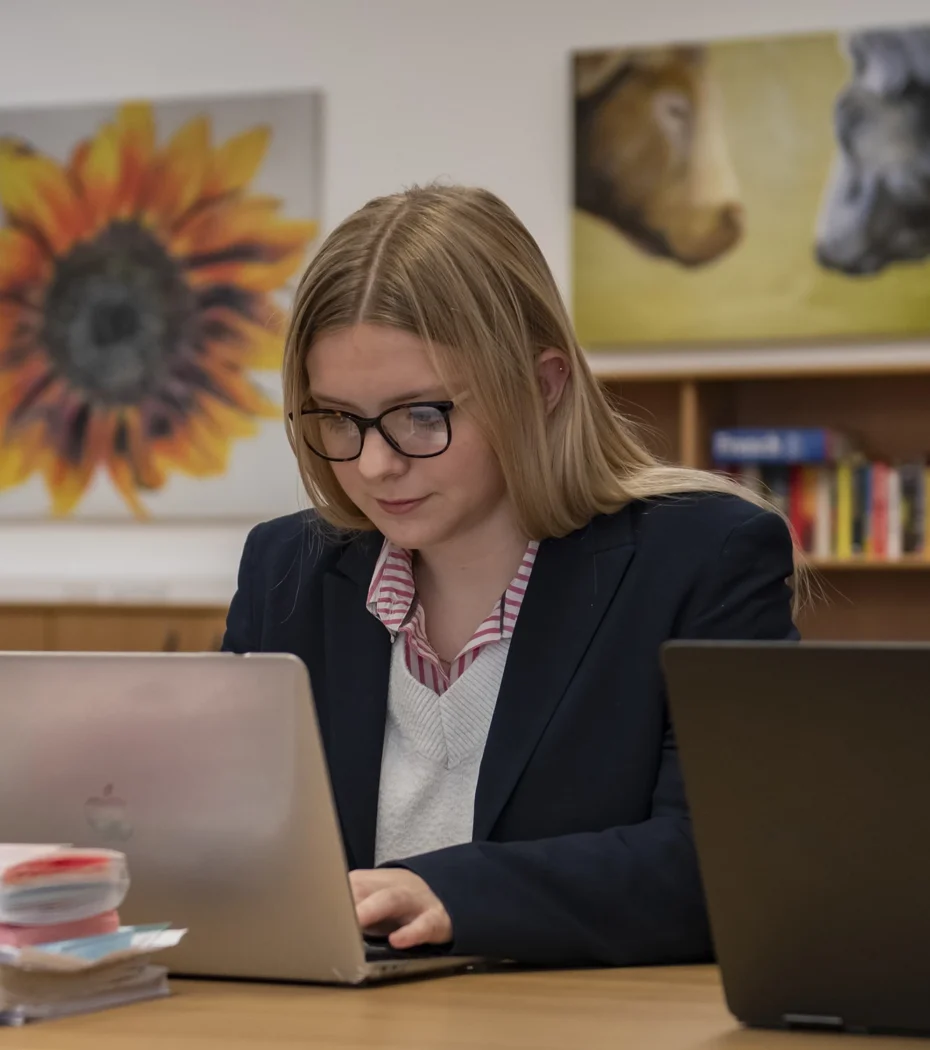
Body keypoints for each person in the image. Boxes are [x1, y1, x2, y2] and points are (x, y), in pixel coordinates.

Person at [222, 184, 799, 967]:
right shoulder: (284, 569)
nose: (375, 463)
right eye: (337, 420)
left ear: (544, 384)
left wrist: (455, 892)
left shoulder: (707, 555)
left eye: (423, 415)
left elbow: (723, 865)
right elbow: (225, 835)